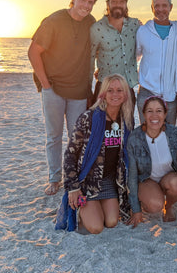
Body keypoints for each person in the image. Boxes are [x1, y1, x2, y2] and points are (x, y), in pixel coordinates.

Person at [28, 0, 99, 195]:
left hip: (78, 90)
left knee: (76, 137)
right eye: (83, 0)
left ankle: (75, 176)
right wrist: (46, 85)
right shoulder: (54, 20)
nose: (86, 5)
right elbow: (33, 52)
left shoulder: (91, 22)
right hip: (55, 89)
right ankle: (54, 179)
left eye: (91, 2)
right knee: (54, 136)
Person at [56, 74, 134, 234]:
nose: (115, 94)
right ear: (103, 94)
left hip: (109, 182)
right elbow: (70, 154)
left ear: (125, 94)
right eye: (110, 90)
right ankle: (81, 212)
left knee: (112, 222)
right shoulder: (88, 118)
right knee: (96, 227)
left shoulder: (126, 121)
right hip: (87, 183)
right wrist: (73, 188)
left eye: (119, 90)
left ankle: (96, 208)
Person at [126, 96, 177, 226]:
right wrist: (136, 210)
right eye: (150, 111)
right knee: (155, 206)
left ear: (165, 114)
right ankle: (147, 198)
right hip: (147, 180)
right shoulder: (135, 137)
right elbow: (132, 175)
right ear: (143, 114)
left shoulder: (172, 133)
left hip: (168, 179)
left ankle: (169, 206)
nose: (154, 115)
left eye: (159, 111)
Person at [136, 0, 177, 125]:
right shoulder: (142, 31)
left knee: (168, 137)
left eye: (165, 5)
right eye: (157, 6)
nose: (161, 9)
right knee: (146, 136)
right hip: (147, 92)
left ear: (171, 7)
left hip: (170, 95)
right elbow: (134, 57)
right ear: (152, 8)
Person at [90, 0, 140, 107]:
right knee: (101, 125)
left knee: (127, 125)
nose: (118, 5)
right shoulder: (97, 28)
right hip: (104, 89)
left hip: (127, 89)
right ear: (107, 4)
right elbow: (90, 59)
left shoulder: (135, 25)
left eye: (121, 2)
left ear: (126, 4)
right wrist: (87, 90)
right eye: (114, 2)